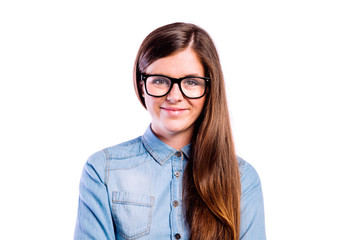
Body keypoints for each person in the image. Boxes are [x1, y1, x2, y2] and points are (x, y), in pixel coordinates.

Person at [74, 22, 266, 240]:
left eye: (191, 82)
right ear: (141, 85)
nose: (174, 96)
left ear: (209, 89)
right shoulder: (103, 170)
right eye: (159, 81)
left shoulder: (243, 179)